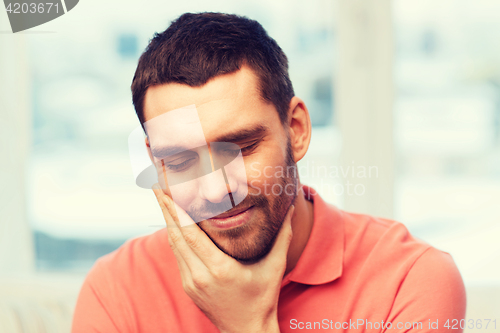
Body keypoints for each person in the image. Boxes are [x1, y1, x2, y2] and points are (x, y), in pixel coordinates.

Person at [71, 12, 466, 333]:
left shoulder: (411, 280)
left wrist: (247, 324)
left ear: (295, 130)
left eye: (241, 148)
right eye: (179, 162)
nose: (215, 191)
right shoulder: (117, 287)